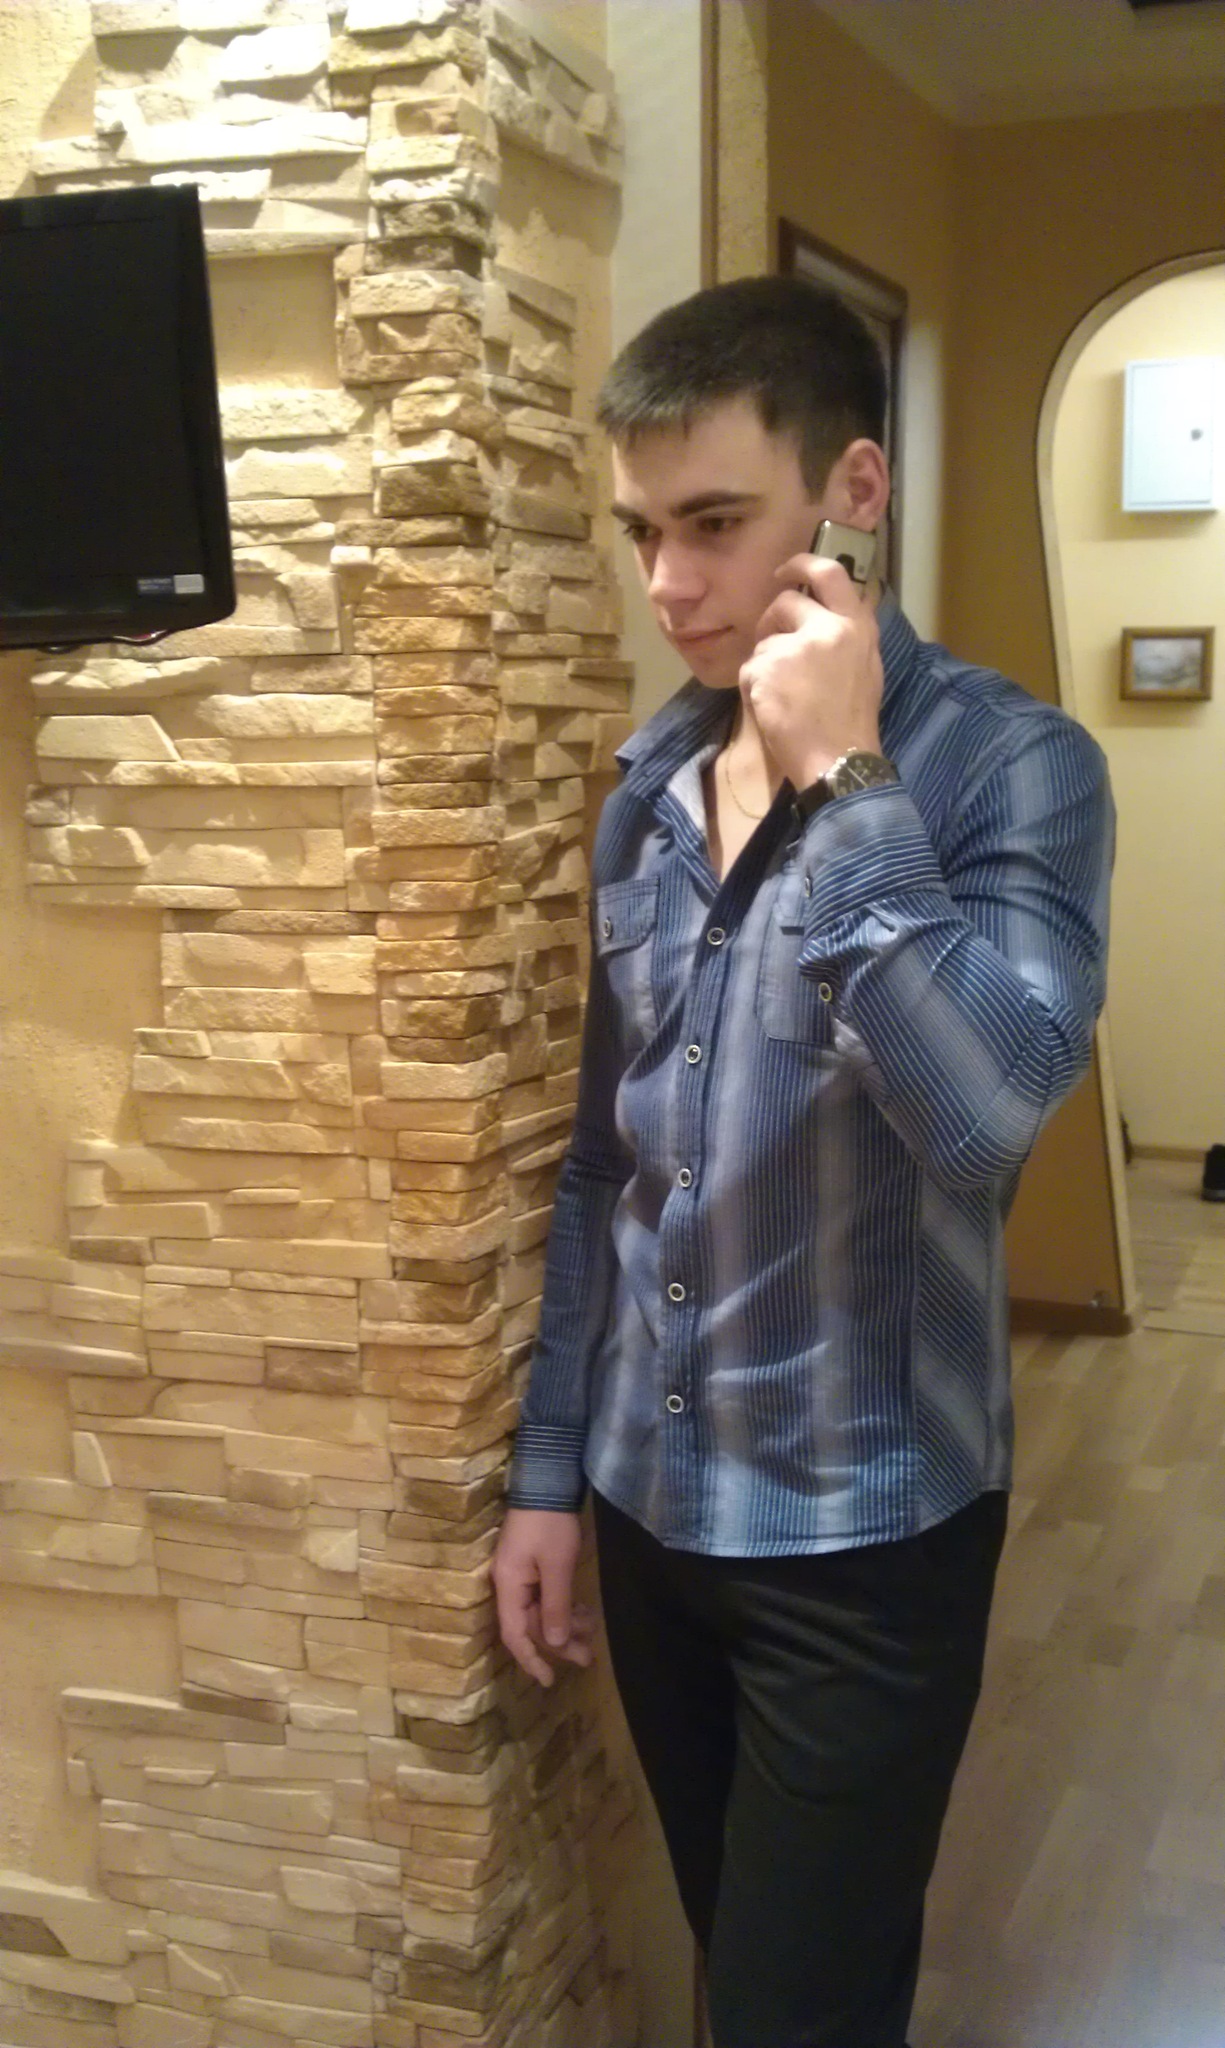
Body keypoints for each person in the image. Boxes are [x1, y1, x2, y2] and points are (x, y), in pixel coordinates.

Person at [490, 275, 1113, 2048]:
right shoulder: (643, 792)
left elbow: (985, 1116)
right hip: (647, 1508)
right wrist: (548, 1476)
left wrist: (841, 783)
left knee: (796, 2012)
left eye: (712, 523)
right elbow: (601, 1168)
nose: (668, 586)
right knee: (735, 1958)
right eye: (641, 533)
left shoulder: (1013, 770)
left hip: (861, 1534)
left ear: (851, 493)